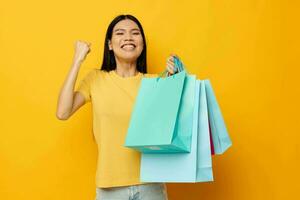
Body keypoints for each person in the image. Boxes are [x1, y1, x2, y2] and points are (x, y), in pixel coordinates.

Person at [56, 14, 179, 200]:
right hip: (109, 188)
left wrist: (175, 80)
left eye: (135, 33)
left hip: (151, 186)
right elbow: (63, 112)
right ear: (110, 45)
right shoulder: (95, 79)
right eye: (120, 33)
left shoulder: (157, 82)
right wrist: (77, 61)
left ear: (142, 44)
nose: (128, 37)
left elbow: (173, 125)